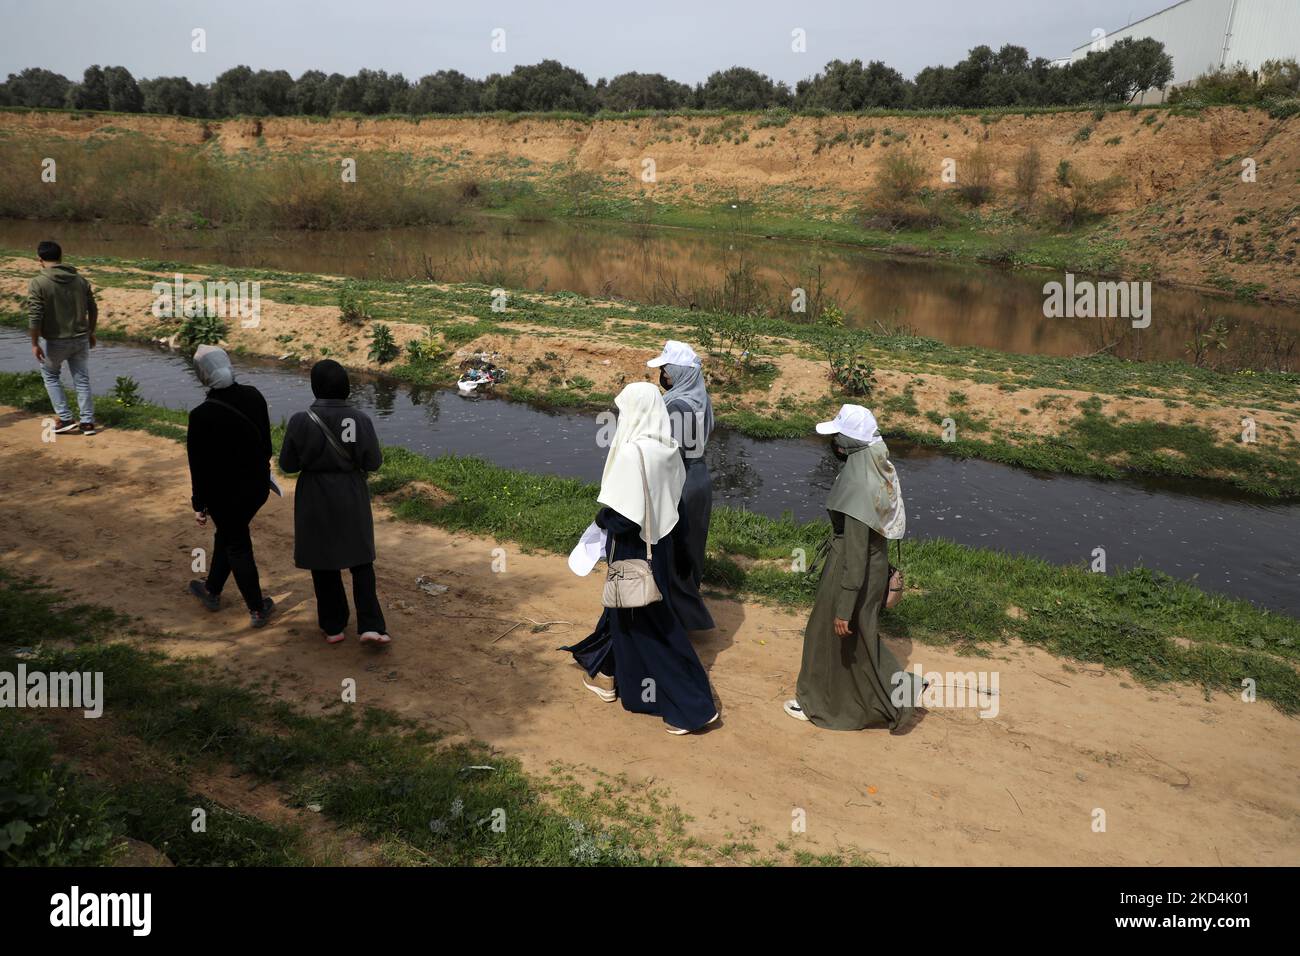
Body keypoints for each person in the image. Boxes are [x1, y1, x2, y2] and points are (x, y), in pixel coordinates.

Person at [561, 382, 718, 735]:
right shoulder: (666, 448)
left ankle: (692, 706)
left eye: (623, 411)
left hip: (633, 549)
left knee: (649, 626)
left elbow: (624, 518)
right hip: (658, 546)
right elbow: (673, 504)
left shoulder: (633, 453)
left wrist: (601, 520)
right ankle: (607, 675)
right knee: (624, 616)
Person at [784, 404, 919, 731]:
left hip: (851, 570)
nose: (834, 443)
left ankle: (820, 704)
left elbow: (855, 552)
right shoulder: (875, 464)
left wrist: (844, 606)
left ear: (849, 442)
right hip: (871, 567)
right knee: (860, 638)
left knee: (825, 635)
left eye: (837, 436)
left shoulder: (859, 485)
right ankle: (901, 689)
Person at [278, 360, 389, 646]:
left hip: (313, 494)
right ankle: (371, 626)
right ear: (346, 387)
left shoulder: (300, 420)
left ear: (315, 387)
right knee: (361, 560)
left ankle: (333, 625)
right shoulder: (360, 419)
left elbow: (288, 465)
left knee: (322, 559)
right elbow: (373, 462)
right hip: (351, 492)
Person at [185, 345, 275, 628]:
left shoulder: (201, 416)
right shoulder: (254, 396)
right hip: (257, 489)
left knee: (236, 543)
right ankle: (211, 589)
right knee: (228, 534)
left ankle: (257, 609)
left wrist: (199, 504)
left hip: (224, 498)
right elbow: (267, 447)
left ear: (203, 375)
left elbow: (198, 468)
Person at [647, 340, 715, 631]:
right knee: (692, 545)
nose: (663, 374)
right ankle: (686, 609)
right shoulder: (701, 398)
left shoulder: (676, 405)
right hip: (700, 477)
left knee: (673, 547)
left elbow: (669, 455)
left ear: (678, 371)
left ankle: (676, 617)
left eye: (666, 369)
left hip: (682, 481)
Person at [27, 240, 99, 435]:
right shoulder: (80, 280)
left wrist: (34, 343)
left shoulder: (38, 282)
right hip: (80, 338)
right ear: (61, 257)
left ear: (40, 260)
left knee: (50, 376)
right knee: (81, 379)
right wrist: (91, 332)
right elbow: (93, 309)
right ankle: (87, 422)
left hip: (54, 341)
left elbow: (35, 316)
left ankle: (65, 418)